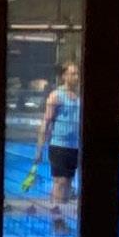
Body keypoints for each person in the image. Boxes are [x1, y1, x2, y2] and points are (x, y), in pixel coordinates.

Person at [33, 59, 83, 219]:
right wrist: (39, 150)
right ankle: (56, 220)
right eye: (73, 74)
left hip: (75, 147)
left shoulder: (80, 97)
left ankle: (61, 218)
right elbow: (46, 123)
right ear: (64, 76)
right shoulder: (56, 96)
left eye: (77, 74)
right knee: (59, 182)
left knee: (68, 183)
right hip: (59, 146)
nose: (76, 77)